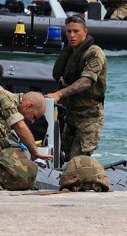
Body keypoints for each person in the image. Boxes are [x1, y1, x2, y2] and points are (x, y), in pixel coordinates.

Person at [46, 15, 107, 161]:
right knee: (62, 156)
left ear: (85, 31)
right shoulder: (71, 52)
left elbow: (86, 82)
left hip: (89, 117)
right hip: (70, 115)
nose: (72, 35)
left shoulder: (93, 52)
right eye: (68, 31)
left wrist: (59, 94)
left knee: (77, 159)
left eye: (76, 31)